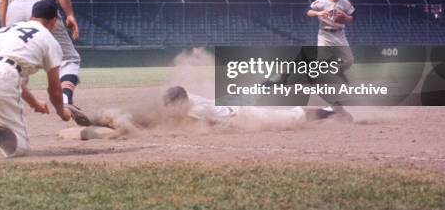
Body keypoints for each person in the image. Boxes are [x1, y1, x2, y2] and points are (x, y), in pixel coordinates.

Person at [0, 0, 72, 159]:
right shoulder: (50, 40)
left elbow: (10, 74)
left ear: (32, 16)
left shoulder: (9, 28)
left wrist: (34, 103)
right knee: (19, 147)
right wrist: (62, 112)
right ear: (53, 21)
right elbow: (55, 90)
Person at [90, 86, 350, 132]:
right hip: (234, 111)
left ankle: (331, 111)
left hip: (244, 116)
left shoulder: (196, 110)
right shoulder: (184, 99)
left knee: (292, 117)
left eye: (171, 105)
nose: (168, 109)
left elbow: (208, 126)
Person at [307, 0, 355, 80]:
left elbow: (354, 17)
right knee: (321, 60)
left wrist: (346, 17)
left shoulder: (345, 2)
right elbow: (307, 11)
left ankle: (339, 72)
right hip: (325, 35)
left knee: (350, 60)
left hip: (340, 35)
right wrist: (318, 13)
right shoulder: (321, 1)